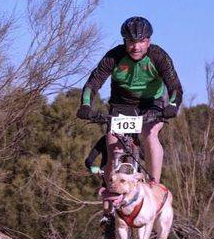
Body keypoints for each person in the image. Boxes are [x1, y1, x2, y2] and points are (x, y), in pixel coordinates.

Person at [77, 15, 183, 191]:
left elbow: (175, 87)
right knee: (113, 148)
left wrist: (172, 105)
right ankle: (111, 198)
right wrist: (86, 105)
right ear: (124, 41)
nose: (136, 46)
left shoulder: (159, 56)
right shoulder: (114, 56)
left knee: (150, 134)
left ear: (148, 41)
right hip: (121, 104)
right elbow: (93, 83)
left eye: (141, 41)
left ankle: (154, 186)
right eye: (131, 41)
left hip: (152, 103)